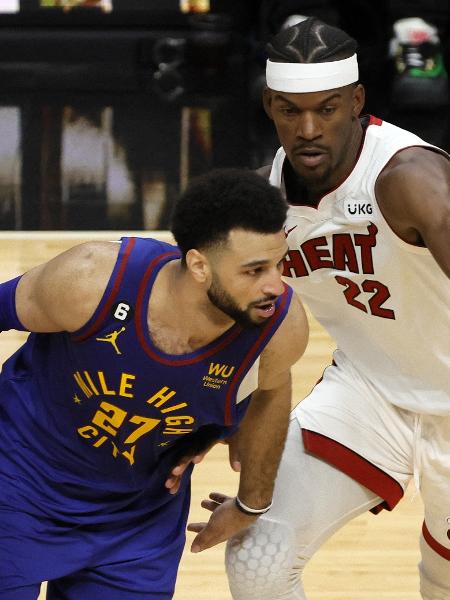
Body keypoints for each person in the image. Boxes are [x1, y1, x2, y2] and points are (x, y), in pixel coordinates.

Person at [196, 18, 450, 599]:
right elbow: (221, 325)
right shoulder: (265, 205)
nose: (308, 130)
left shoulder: (409, 178)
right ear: (269, 106)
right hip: (369, 393)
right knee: (260, 557)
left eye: (328, 110)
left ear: (358, 101)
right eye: (290, 111)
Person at [0, 168, 308, 599]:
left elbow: (272, 391)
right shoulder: (92, 281)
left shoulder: (279, 328)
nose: (275, 285)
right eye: (254, 270)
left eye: (279, 263)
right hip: (20, 489)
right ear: (199, 264)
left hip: (138, 519)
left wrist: (250, 502)